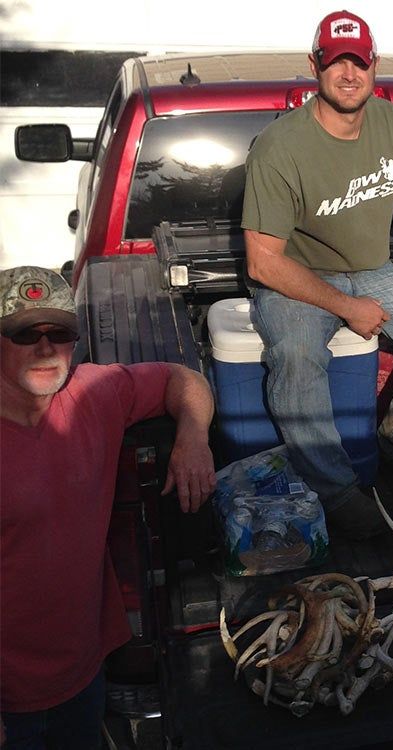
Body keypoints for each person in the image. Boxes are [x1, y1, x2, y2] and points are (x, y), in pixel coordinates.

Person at [241, 10, 393, 538]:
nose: (349, 73)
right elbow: (263, 261)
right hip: (297, 277)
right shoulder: (280, 146)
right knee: (298, 356)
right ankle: (337, 493)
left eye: (359, 61)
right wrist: (346, 307)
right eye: (336, 62)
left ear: (375, 65)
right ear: (315, 66)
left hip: (374, 270)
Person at [0, 266, 216, 748]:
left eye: (59, 332)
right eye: (22, 334)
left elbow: (182, 378)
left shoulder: (94, 392)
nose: (44, 348)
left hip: (83, 680)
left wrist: (193, 437)